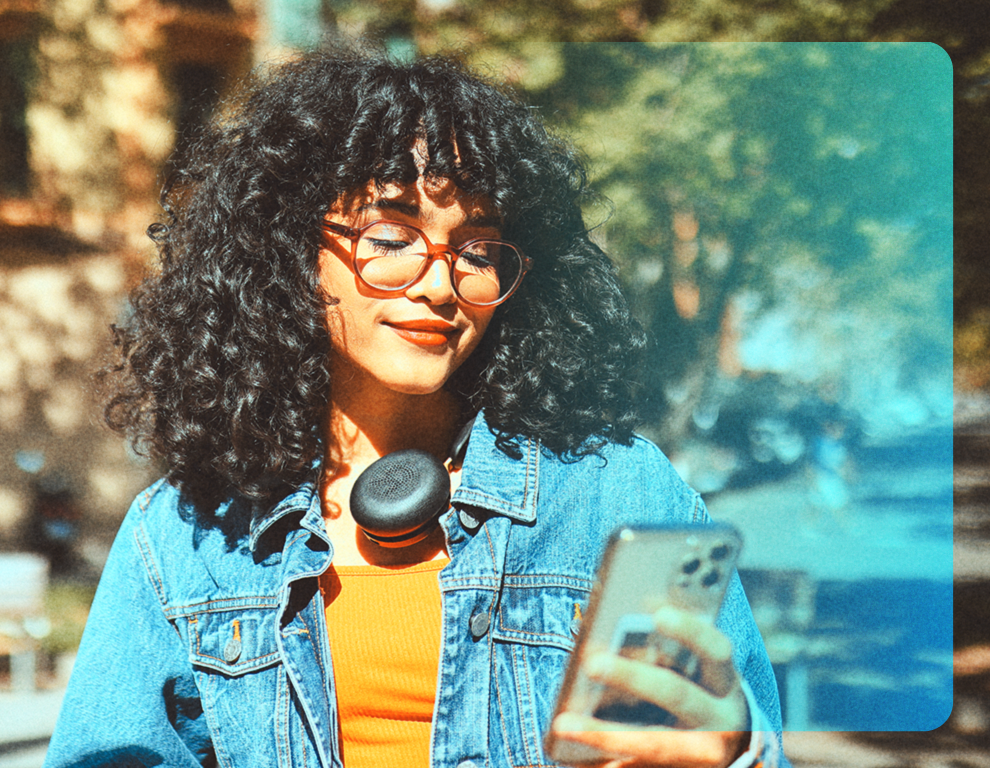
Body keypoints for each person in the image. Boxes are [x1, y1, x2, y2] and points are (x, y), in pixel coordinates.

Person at [45, 48, 789, 768]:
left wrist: (737, 752)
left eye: (477, 249)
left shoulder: (617, 494)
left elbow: (742, 741)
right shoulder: (183, 537)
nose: (440, 284)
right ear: (291, 248)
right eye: (394, 234)